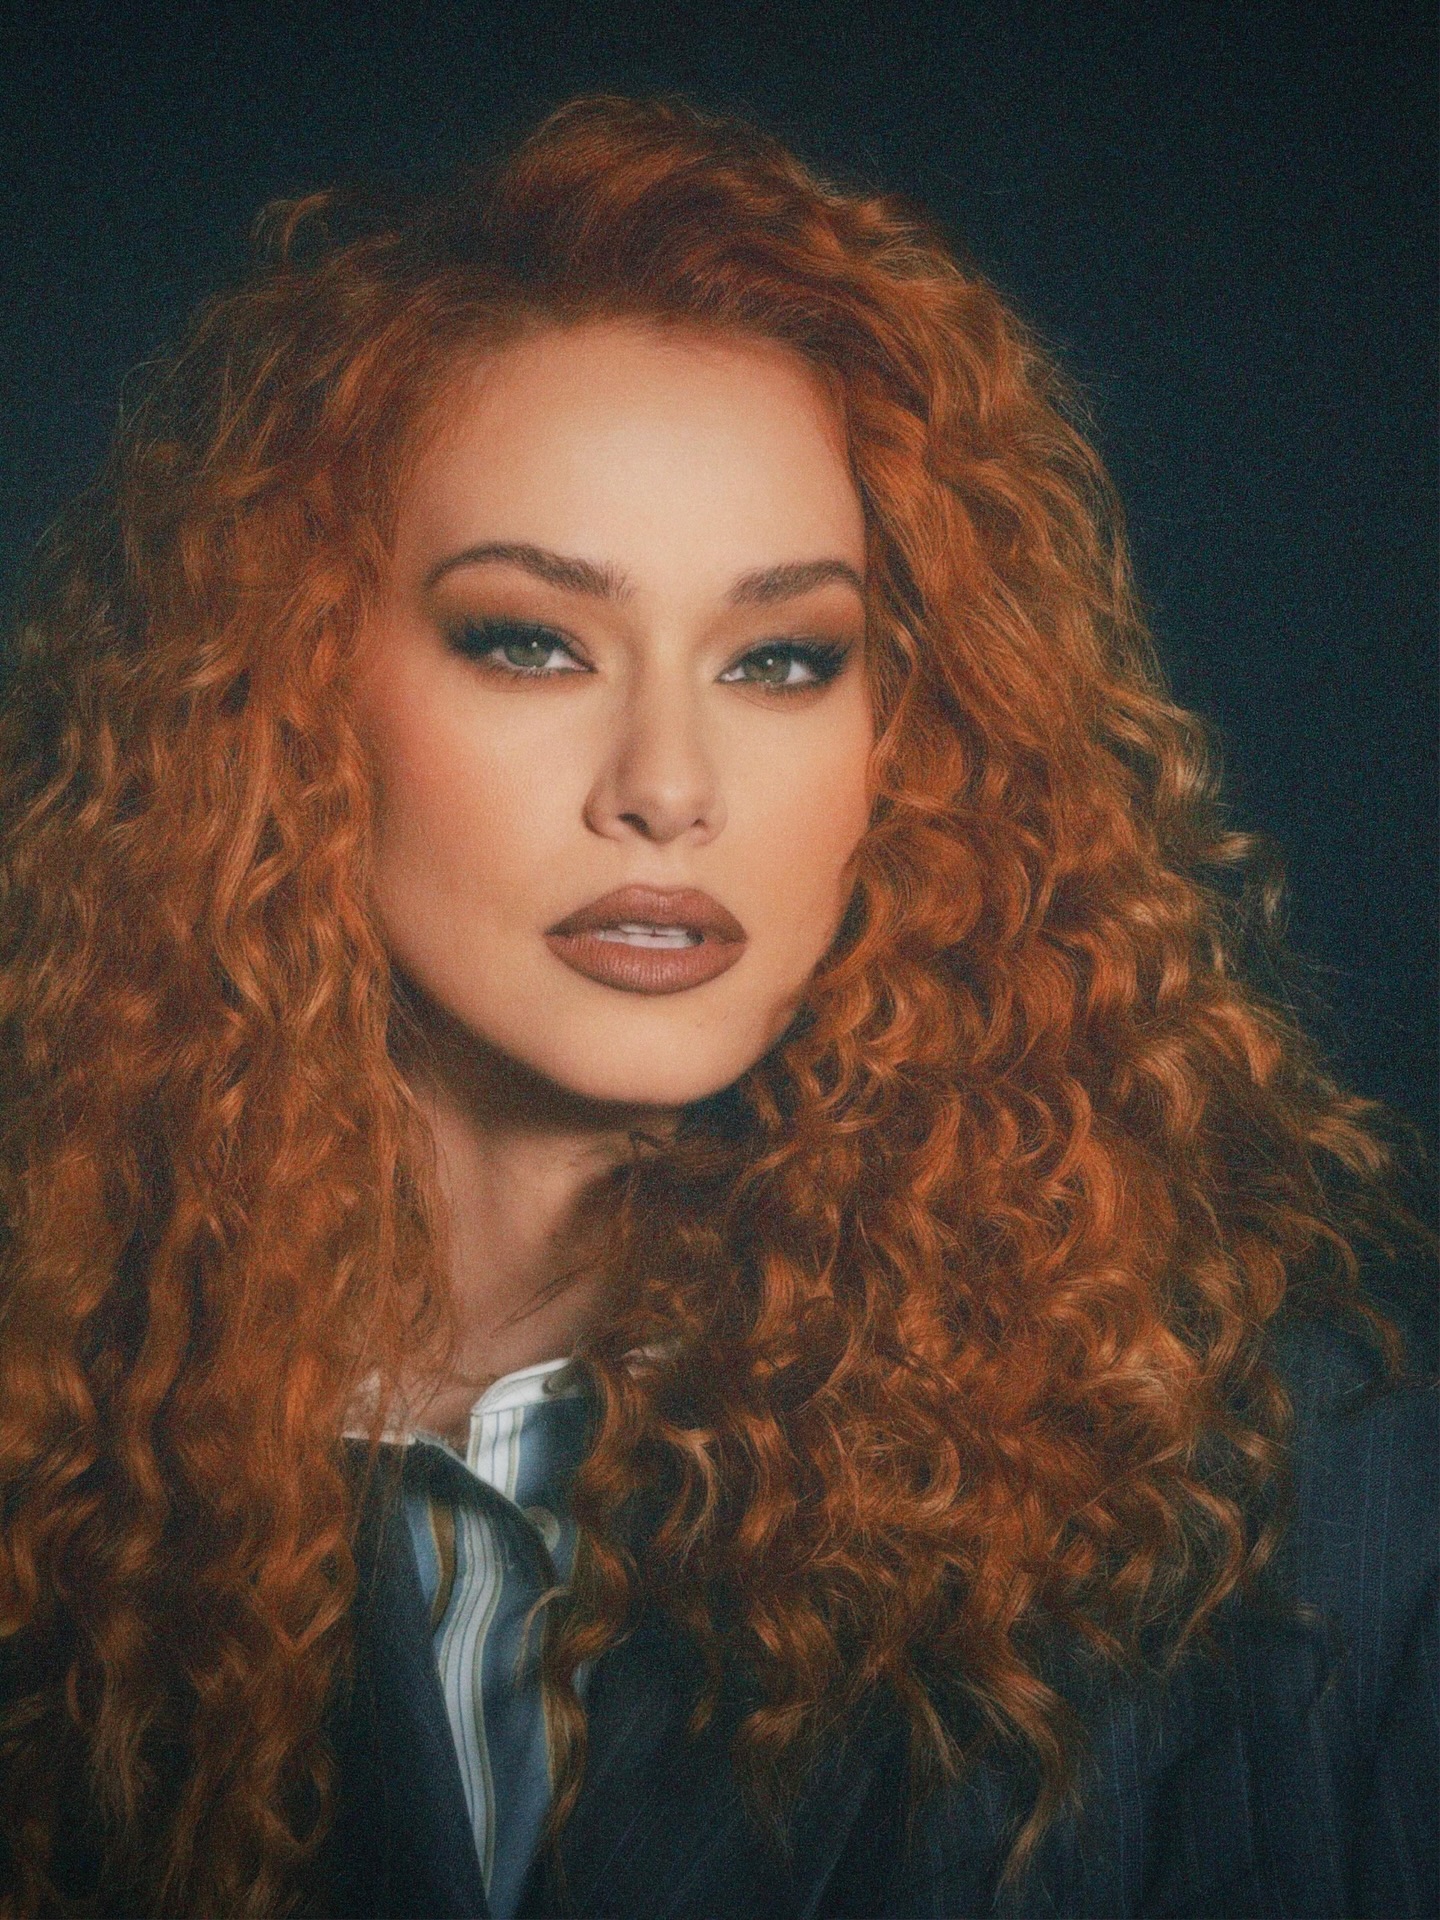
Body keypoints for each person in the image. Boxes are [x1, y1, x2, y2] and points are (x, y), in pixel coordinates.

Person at [0, 94, 1433, 1920]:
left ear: (905, 736)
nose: (669, 787)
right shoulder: (59, 1473)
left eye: (781, 659)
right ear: (277, 705)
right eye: (530, 640)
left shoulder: (1292, 1515)